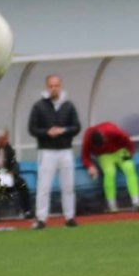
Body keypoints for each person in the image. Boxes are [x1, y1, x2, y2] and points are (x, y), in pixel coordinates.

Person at [28, 74, 80, 228]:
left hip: (65, 150)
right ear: (47, 87)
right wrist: (46, 132)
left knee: (68, 186)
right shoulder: (39, 106)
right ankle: (41, 218)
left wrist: (63, 130)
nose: (54, 88)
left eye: (56, 85)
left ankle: (70, 217)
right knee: (44, 186)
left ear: (61, 86)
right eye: (51, 86)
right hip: (47, 150)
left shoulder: (69, 105)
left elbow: (76, 127)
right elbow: (32, 128)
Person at [81, 121, 139, 212]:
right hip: (104, 155)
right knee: (109, 172)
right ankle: (112, 205)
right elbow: (85, 155)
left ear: (104, 138)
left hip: (120, 151)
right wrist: (90, 166)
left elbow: (127, 139)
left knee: (129, 167)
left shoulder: (111, 130)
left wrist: (130, 153)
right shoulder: (87, 137)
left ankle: (137, 201)